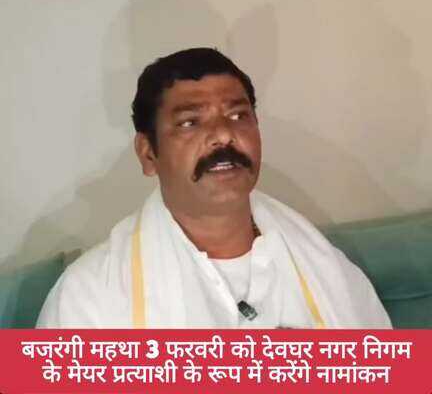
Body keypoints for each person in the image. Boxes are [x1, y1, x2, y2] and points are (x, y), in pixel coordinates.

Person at [37, 48, 391, 328]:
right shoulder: (88, 299)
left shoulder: (328, 269)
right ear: (148, 154)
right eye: (190, 122)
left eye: (238, 116)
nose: (223, 134)